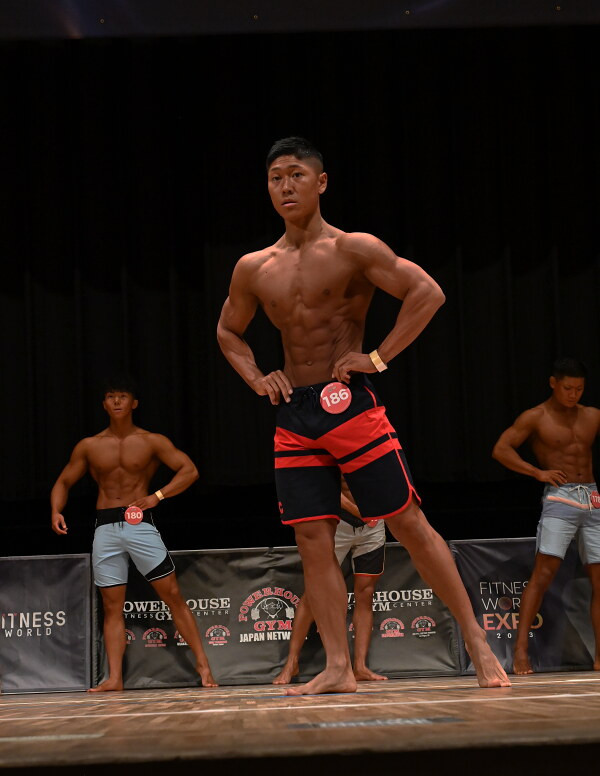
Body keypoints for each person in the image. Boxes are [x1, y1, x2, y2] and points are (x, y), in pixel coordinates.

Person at [217, 136, 510, 694]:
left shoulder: (353, 248)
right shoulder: (253, 267)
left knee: (407, 522)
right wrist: (256, 377)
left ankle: (474, 637)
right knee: (312, 540)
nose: (285, 186)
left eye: (297, 174)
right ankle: (336, 666)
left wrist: (376, 357)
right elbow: (228, 330)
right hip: (294, 413)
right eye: (276, 177)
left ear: (321, 182)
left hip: (348, 401)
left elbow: (426, 292)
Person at [50, 376, 217, 691]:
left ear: (134, 403)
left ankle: (204, 667)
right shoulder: (89, 445)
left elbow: (190, 470)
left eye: (122, 396)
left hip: (140, 525)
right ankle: (114, 678)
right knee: (112, 606)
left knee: (172, 595)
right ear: (104, 404)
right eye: (110, 396)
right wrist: (56, 510)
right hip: (105, 528)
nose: (116, 401)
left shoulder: (151, 441)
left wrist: (157, 496)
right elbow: (63, 481)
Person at [492, 358, 600, 675]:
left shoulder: (592, 415)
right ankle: (521, 652)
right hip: (560, 497)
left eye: (579, 389)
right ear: (553, 383)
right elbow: (501, 449)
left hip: (593, 497)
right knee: (543, 575)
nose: (573, 394)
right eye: (567, 388)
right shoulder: (536, 417)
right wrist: (537, 472)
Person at [274, 478, 388, 684]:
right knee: (314, 592)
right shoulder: (334, 457)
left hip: (373, 527)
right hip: (338, 524)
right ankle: (291, 662)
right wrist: (359, 512)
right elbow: (329, 488)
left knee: (366, 594)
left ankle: (360, 666)